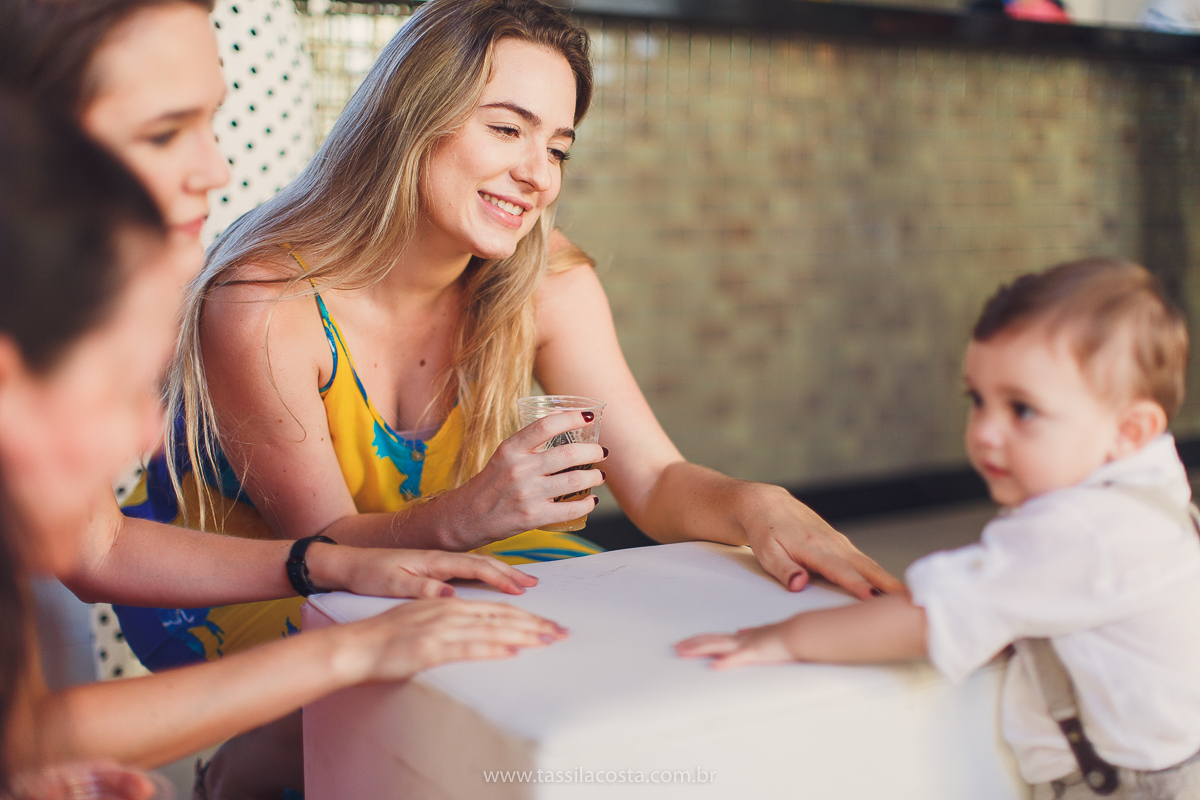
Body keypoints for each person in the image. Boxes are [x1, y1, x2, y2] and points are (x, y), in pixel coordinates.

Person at [121, 0, 900, 675]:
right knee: (448, 675)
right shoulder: (265, 301)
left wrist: (756, 506)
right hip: (261, 584)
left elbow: (656, 482)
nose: (539, 175)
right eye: (507, 129)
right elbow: (328, 554)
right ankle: (262, 761)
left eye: (558, 146)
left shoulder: (545, 278)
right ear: (410, 121)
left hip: (449, 552)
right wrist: (471, 513)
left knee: (634, 648)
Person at [0, 96, 567, 797]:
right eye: (118, 389)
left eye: (559, 148)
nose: (151, 438)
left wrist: (326, 575)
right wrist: (350, 649)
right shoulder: (261, 294)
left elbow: (30, 716)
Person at [677, 259, 1200, 799]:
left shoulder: (1081, 530)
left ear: (1129, 430)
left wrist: (785, 638)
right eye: (977, 399)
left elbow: (927, 618)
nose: (985, 432)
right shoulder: (1152, 490)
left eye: (1022, 409)